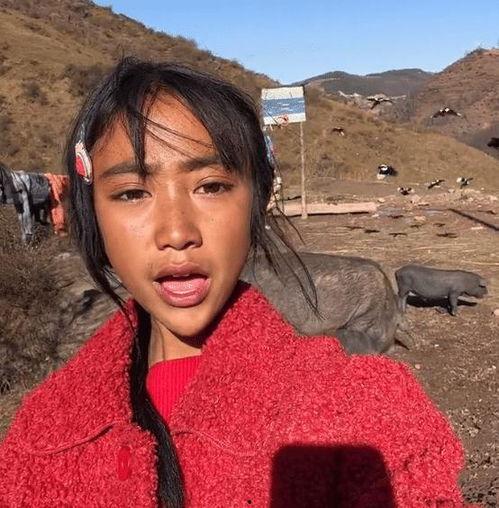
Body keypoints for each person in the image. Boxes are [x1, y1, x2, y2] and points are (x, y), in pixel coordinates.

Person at [0, 58, 469, 507]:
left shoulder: (366, 416)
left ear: (257, 200)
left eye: (211, 186)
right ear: (93, 215)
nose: (176, 233)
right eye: (132, 193)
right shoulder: (36, 439)